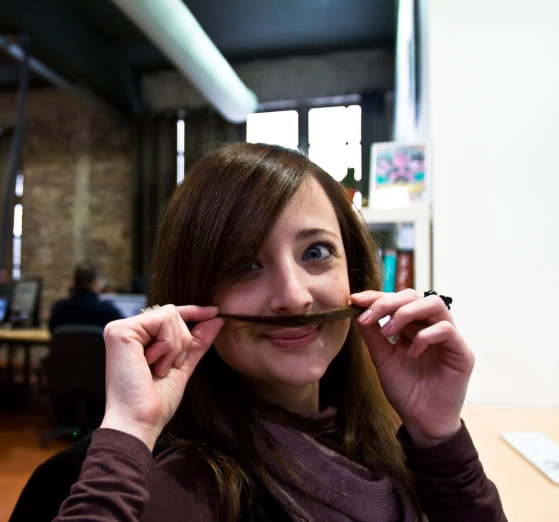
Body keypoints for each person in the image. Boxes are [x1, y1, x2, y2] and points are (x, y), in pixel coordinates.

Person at [28, 144, 506, 521]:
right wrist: (129, 430)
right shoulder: (185, 488)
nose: (294, 296)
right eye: (243, 264)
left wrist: (437, 436)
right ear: (192, 294)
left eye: (316, 252)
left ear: (356, 277)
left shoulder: (375, 436)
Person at [48, 262, 123, 333]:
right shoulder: (107, 310)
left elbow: (52, 331)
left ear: (74, 283)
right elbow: (122, 329)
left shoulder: (58, 309)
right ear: (95, 282)